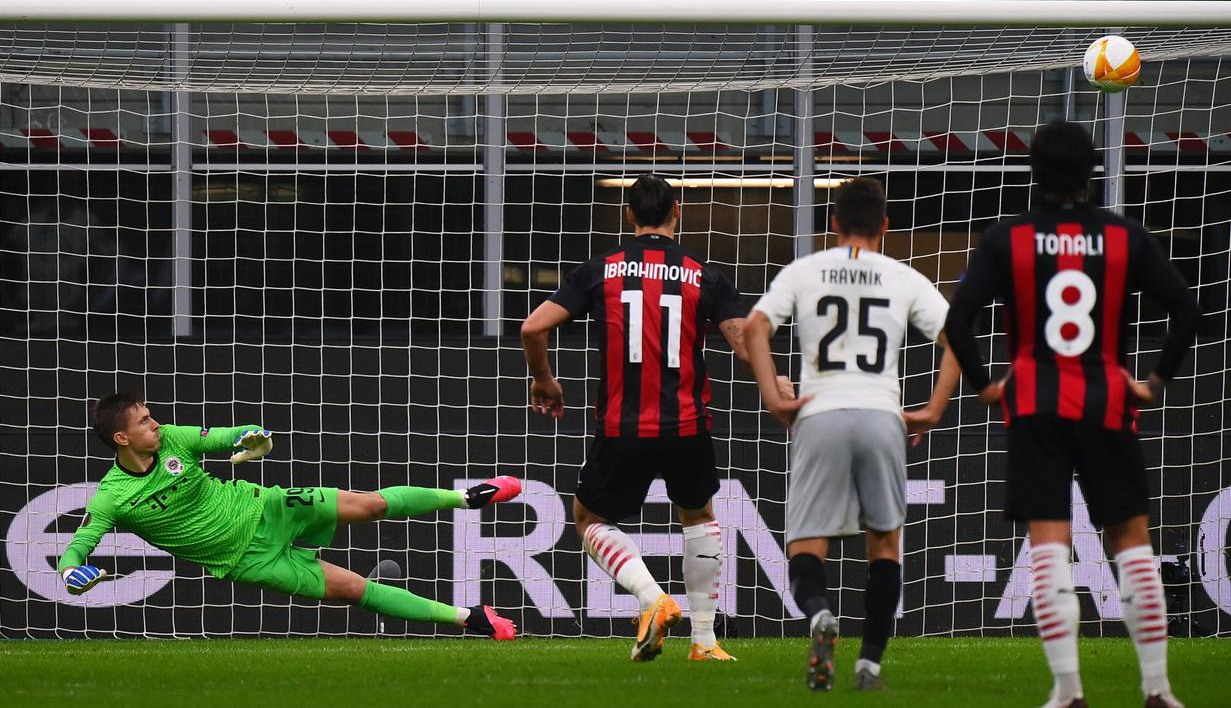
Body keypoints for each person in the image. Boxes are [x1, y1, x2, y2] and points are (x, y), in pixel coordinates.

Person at [944, 121, 1200, 708]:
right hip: (1107, 400)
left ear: (1033, 172)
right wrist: (1154, 381)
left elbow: (958, 320)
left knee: (1050, 545)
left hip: (1035, 403)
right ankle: (1158, 690)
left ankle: (1068, 691)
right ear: (1093, 172)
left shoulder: (1008, 237)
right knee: (1132, 543)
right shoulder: (1123, 236)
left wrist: (987, 384)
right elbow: (1186, 309)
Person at [520, 174, 789, 662]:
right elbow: (747, 346)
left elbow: (532, 328)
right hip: (687, 425)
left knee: (587, 519)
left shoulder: (601, 271)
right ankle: (705, 643)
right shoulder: (705, 275)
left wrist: (545, 380)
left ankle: (651, 597)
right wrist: (779, 385)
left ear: (629, 216)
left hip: (623, 426)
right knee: (699, 517)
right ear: (677, 212)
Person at [58, 391, 521, 640]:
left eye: (152, 417)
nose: (156, 424)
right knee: (354, 588)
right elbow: (79, 546)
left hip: (267, 506)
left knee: (371, 504)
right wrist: (71, 571)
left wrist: (252, 436)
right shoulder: (112, 497)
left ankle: (468, 498)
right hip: (246, 560)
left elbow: (227, 435)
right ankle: (470, 618)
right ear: (121, 439)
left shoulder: (175, 439)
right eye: (144, 422)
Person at [745, 177, 961, 691]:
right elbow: (960, 337)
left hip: (820, 411)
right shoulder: (902, 276)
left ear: (833, 224)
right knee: (885, 544)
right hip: (881, 413)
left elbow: (755, 327)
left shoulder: (805, 271)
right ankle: (869, 667)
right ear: (885, 226)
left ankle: (819, 613)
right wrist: (932, 408)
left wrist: (775, 398)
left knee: (806, 543)